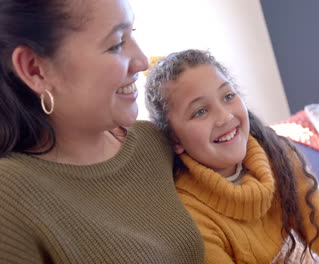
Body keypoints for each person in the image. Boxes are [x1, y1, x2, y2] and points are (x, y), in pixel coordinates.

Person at [0, 1, 204, 263]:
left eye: (133, 33)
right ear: (35, 69)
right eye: (116, 44)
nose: (142, 61)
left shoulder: (156, 142)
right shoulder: (10, 197)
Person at [145, 49, 319, 264]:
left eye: (227, 96)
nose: (225, 117)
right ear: (175, 139)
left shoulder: (277, 153)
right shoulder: (191, 220)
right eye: (200, 111)